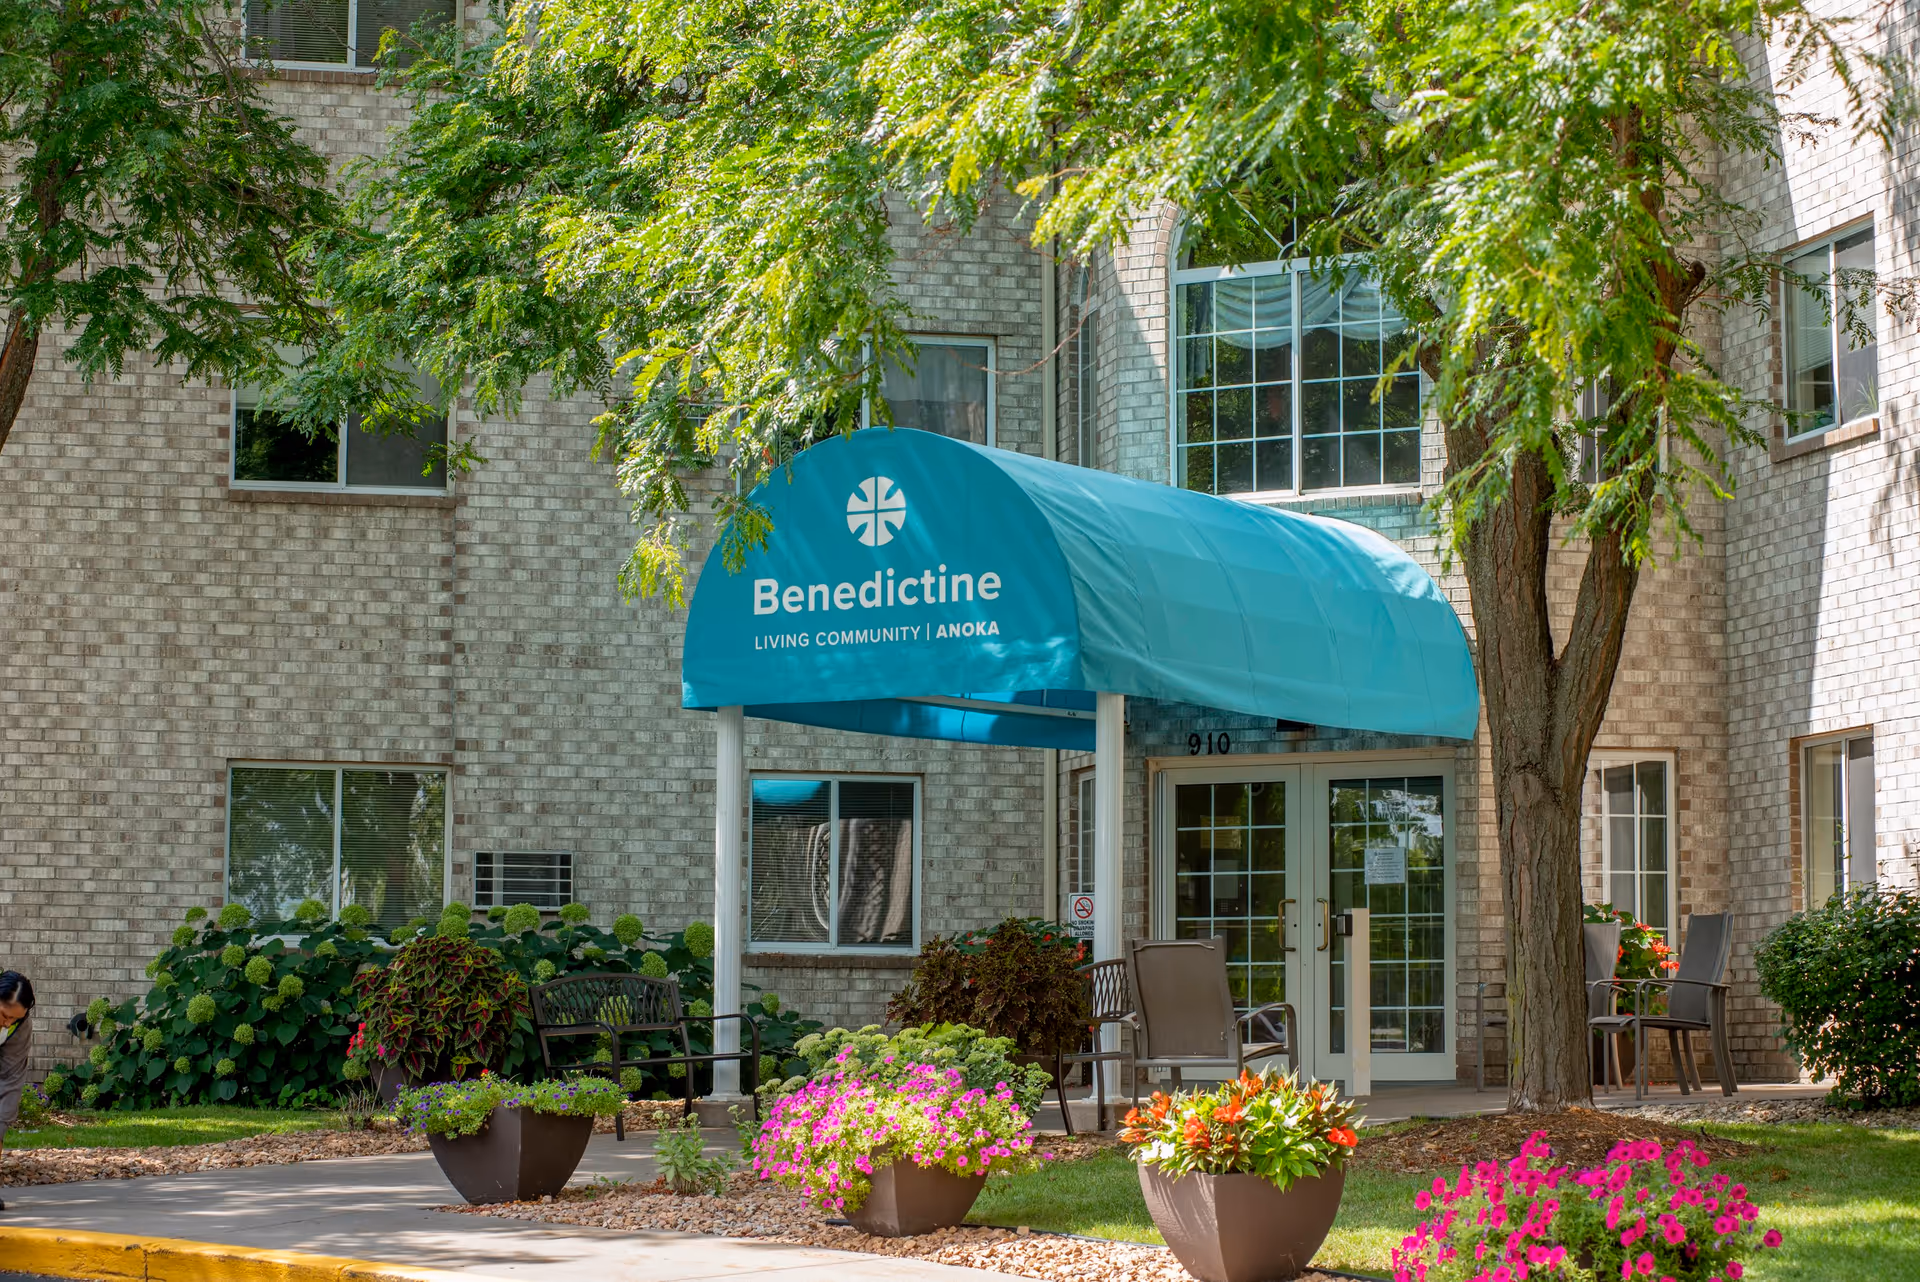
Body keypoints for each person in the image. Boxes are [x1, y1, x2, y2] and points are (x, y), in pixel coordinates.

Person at [0, 970, 35, 1212]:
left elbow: (11, 1078)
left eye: (14, 1019)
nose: (7, 1023)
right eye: (3, 1015)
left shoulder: (19, 1025)